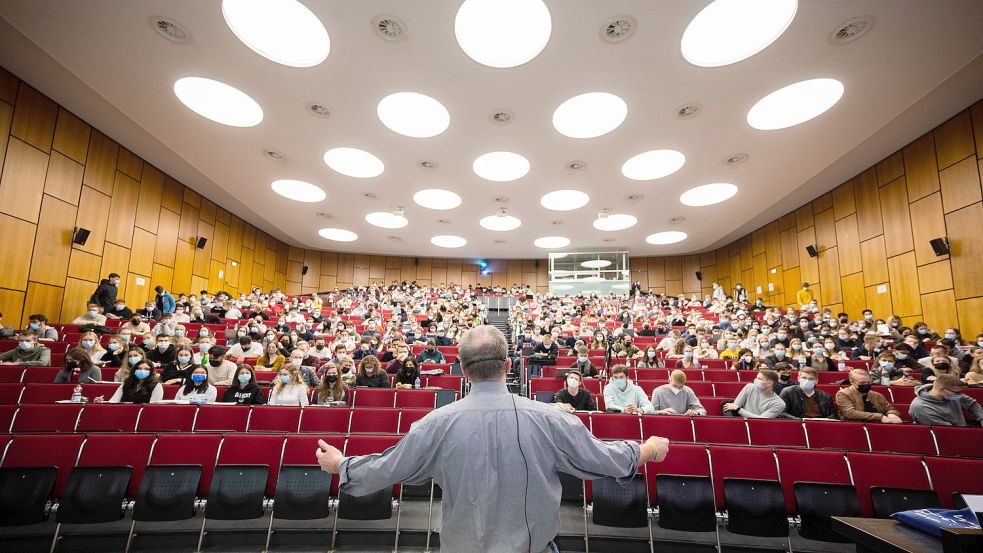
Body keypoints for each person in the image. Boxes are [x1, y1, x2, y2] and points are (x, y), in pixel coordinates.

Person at [314, 325, 670, 553]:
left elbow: (389, 467)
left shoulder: (434, 423)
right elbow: (601, 459)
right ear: (509, 366)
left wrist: (341, 465)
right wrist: (649, 449)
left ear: (464, 371)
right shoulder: (550, 418)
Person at [910, 374, 983, 426]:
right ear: (941, 389)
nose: (960, 395)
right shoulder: (921, 408)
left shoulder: (952, 395)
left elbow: (972, 404)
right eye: (957, 392)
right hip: (947, 437)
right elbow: (946, 431)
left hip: (961, 427)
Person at [835, 369, 902, 423]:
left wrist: (891, 414)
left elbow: (890, 409)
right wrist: (879, 416)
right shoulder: (843, 394)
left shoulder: (876, 395)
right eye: (862, 383)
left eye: (869, 382)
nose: (866, 385)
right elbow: (850, 413)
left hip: (879, 426)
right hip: (855, 426)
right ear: (852, 382)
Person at [94, 361, 162, 403]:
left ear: (151, 371)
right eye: (139, 368)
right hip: (123, 413)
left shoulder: (156, 386)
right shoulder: (126, 383)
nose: (142, 370)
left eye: (146, 369)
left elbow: (153, 405)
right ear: (134, 370)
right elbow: (114, 401)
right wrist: (102, 402)